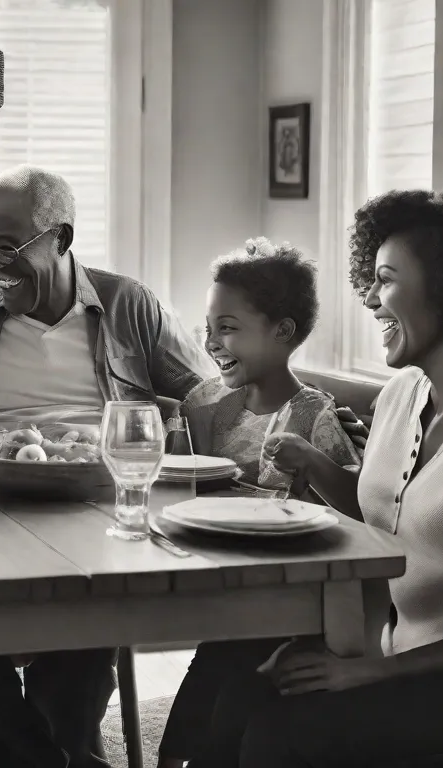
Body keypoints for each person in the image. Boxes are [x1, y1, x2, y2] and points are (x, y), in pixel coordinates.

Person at [187, 187, 443, 767]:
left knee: (279, 736)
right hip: (398, 654)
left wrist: (376, 670)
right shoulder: (403, 394)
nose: (370, 300)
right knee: (233, 698)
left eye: (386, 280)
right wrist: (314, 463)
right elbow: (378, 517)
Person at [0, 163, 217, 768]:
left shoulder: (128, 302)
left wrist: (297, 418)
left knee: (87, 611)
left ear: (63, 239)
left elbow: (209, 398)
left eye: (9, 247)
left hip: (98, 504)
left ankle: (50, 751)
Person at [156, 237, 361, 768]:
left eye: (227, 328)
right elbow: (180, 480)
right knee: (205, 694)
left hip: (290, 601)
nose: (212, 342)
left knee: (226, 701)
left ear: (283, 331)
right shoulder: (205, 403)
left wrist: (314, 460)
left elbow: (362, 512)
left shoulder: (315, 413)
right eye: (208, 327)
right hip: (222, 585)